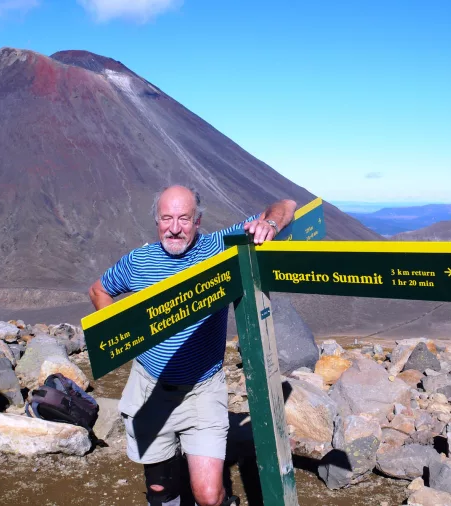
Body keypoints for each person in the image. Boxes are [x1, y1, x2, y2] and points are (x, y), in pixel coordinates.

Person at [88, 185, 296, 506]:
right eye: (166, 218)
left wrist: (270, 224)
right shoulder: (138, 262)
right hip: (150, 391)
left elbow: (286, 204)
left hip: (202, 389)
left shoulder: (219, 247)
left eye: (184, 219)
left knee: (209, 496)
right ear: (156, 221)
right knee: (160, 490)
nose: (174, 228)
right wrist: (122, 336)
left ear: (198, 221)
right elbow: (99, 290)